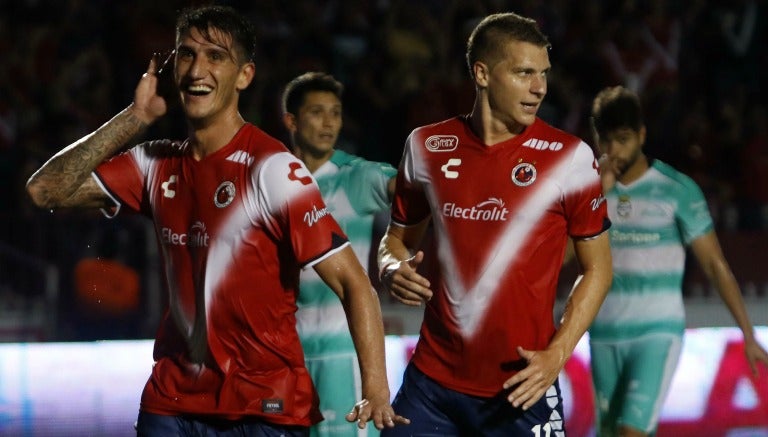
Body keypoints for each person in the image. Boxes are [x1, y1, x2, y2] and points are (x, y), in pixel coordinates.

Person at [25, 5, 407, 436]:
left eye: (215, 57)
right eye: (186, 55)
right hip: (173, 400)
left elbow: (354, 283)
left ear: (244, 76)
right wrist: (135, 117)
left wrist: (376, 388)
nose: (196, 70)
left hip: (263, 405)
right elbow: (46, 190)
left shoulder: (273, 170)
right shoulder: (154, 162)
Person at [377, 12, 613, 436]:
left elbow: (599, 269)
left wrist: (557, 355)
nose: (539, 87)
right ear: (482, 74)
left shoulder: (570, 158)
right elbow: (395, 240)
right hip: (431, 385)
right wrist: (391, 267)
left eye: (543, 74)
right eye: (524, 73)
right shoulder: (426, 146)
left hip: (521, 389)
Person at [588, 85, 768, 437]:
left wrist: (746, 332)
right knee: (611, 433)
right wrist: (597, 197)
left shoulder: (676, 190)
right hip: (603, 332)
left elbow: (715, 265)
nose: (613, 151)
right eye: (605, 141)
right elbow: (562, 255)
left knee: (630, 433)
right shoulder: (589, 191)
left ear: (642, 134)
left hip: (657, 332)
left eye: (622, 139)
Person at [280, 71, 397, 437]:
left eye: (335, 112)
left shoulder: (354, 176)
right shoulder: (273, 181)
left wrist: (398, 249)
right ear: (292, 121)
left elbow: (413, 189)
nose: (329, 122)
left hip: (343, 356)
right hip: (285, 356)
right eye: (317, 112)